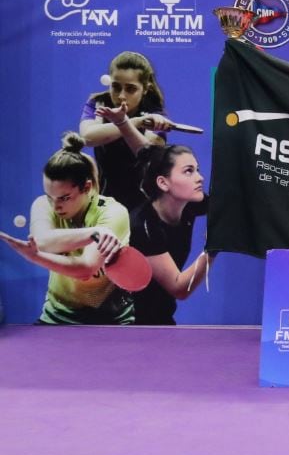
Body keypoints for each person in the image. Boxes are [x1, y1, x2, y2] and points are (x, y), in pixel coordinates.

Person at [0, 133, 132, 325]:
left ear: (86, 187)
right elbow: (43, 240)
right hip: (57, 317)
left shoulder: (113, 212)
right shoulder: (42, 205)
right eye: (49, 196)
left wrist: (35, 256)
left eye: (64, 198)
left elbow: (86, 268)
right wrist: (92, 233)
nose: (55, 206)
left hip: (110, 320)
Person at [128, 144, 214, 325]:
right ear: (163, 182)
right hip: (131, 326)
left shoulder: (190, 204)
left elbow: (228, 206)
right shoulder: (143, 226)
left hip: (162, 319)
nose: (200, 178)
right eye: (188, 171)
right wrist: (213, 248)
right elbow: (179, 288)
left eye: (197, 170)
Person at [79, 51, 174, 212]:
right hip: (105, 197)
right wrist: (135, 122)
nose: (121, 96)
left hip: (144, 202)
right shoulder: (99, 103)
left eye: (131, 89)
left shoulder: (154, 112)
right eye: (116, 87)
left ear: (145, 89)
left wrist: (128, 123)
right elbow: (88, 137)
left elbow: (149, 155)